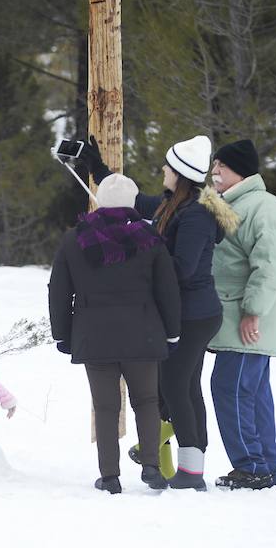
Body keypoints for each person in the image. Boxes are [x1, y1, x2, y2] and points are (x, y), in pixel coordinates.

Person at [80, 135, 239, 491]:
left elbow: (182, 268)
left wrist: (143, 243)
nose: (163, 170)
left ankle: (190, 472)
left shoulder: (196, 214)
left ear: (180, 174)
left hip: (194, 315)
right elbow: (132, 201)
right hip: (186, 311)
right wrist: (98, 169)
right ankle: (190, 470)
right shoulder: (173, 204)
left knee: (174, 386)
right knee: (183, 387)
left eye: (168, 167)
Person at [48, 173, 181, 494]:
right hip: (143, 333)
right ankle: (151, 464)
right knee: (147, 400)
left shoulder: (74, 239)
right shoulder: (149, 237)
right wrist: (172, 332)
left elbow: (59, 291)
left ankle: (109, 476)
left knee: (106, 405)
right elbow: (167, 289)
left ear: (99, 201)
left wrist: (62, 334)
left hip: (94, 335)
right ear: (133, 202)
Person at [207, 139, 276, 490]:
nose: (214, 172)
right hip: (234, 317)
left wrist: (253, 311)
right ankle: (266, 468)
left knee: (229, 388)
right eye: (213, 165)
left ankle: (252, 466)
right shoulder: (226, 204)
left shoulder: (263, 206)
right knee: (252, 394)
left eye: (221, 167)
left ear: (239, 170)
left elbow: (271, 263)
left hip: (246, 319)